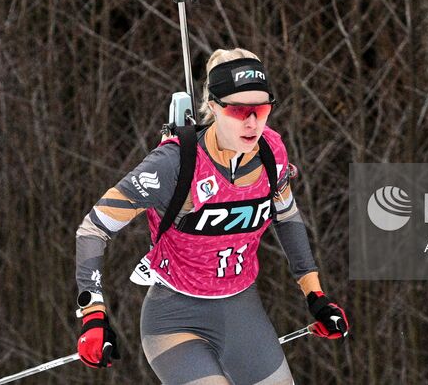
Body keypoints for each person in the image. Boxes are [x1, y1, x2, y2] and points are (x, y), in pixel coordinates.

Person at [72, 48, 349, 384]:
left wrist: (316, 297)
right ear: (214, 107)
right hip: (174, 319)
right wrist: (93, 313)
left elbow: (287, 216)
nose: (251, 122)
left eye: (260, 109)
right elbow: (94, 228)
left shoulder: (272, 152)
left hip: (242, 314)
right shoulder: (174, 164)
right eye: (238, 110)